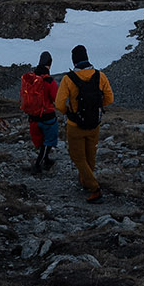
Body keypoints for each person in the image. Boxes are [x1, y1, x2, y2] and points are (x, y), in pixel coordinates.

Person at [55, 43, 114, 200]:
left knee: (78, 157)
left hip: (75, 125)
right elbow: (109, 98)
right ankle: (85, 180)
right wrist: (96, 108)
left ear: (74, 61)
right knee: (90, 155)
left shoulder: (68, 79)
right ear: (87, 58)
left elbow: (59, 104)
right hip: (94, 123)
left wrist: (67, 112)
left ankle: (94, 187)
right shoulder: (100, 76)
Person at [19, 50, 60, 173]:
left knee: (40, 141)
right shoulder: (49, 81)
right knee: (48, 141)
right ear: (49, 64)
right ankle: (38, 164)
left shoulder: (30, 80)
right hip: (47, 117)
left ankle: (46, 160)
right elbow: (55, 98)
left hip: (33, 118)